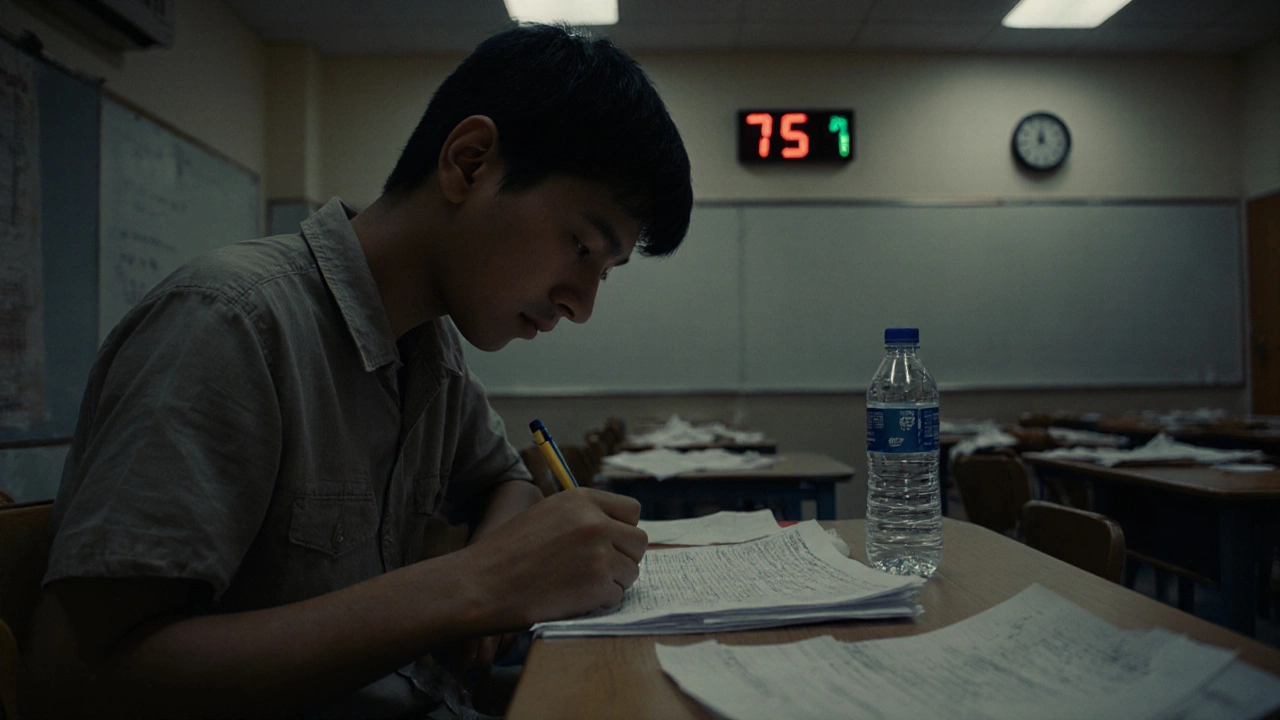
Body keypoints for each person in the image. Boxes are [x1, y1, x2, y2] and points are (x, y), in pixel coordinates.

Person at [21, 23, 692, 719]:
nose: (580, 305)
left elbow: (508, 480)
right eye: (580, 246)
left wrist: (500, 569)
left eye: (603, 273)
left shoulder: (432, 351)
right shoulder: (230, 324)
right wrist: (477, 585)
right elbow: (76, 682)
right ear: (468, 164)